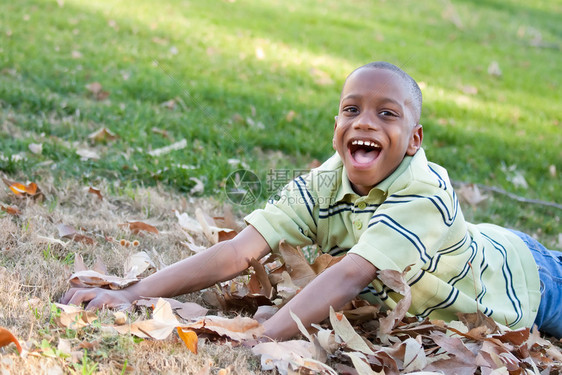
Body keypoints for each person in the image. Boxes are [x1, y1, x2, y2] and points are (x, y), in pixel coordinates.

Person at [62, 62, 562, 340]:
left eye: (387, 114)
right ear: (336, 129)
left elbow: (349, 276)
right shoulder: (324, 183)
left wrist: (261, 337)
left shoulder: (424, 192)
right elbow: (240, 252)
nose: (365, 121)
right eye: (351, 109)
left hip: (528, 281)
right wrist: (133, 293)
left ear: (414, 139)